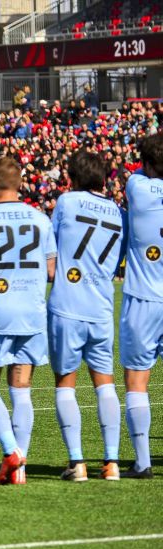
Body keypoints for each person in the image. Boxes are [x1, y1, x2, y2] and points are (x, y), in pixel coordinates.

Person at [0, 157, 57, 485]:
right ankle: (19, 465)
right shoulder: (41, 220)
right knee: (21, 390)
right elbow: (51, 271)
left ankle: (11, 451)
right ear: (19, 183)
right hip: (32, 312)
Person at [47, 150, 124, 482]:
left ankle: (77, 463)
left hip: (67, 303)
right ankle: (112, 463)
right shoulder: (119, 213)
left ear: (73, 178)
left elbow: (50, 255)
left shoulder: (66, 202)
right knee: (104, 382)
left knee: (66, 382)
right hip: (102, 306)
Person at [119, 133, 163, 478]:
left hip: (144, 298)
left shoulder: (136, 185)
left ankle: (143, 462)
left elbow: (135, 174)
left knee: (136, 381)